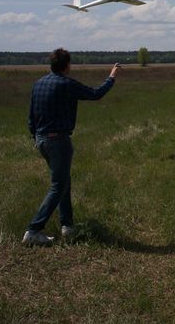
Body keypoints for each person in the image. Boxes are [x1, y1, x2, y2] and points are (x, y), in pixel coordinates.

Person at [22, 48, 121, 246]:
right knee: (58, 186)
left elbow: (31, 116)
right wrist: (112, 76)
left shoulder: (38, 84)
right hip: (58, 141)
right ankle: (34, 230)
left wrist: (35, 136)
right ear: (67, 65)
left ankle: (67, 226)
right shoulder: (66, 84)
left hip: (42, 140)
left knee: (63, 180)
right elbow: (95, 94)